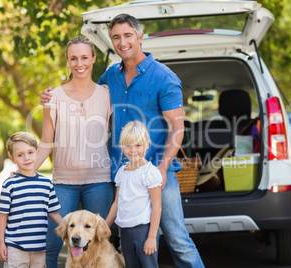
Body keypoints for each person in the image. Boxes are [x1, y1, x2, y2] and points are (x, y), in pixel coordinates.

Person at [41, 14, 204, 267]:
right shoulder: (110, 77)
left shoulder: (164, 77)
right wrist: (53, 94)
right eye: (116, 37)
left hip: (157, 174)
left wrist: (162, 167)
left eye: (128, 35)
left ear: (140, 37)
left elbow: (177, 128)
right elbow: (85, 89)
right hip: (122, 175)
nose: (122, 42)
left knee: (177, 239)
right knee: (127, 241)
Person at [38, 36, 114, 267]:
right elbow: (45, 142)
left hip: (99, 181)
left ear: (93, 59)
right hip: (63, 182)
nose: (79, 63)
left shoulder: (106, 95)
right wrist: (26, 169)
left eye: (84, 57)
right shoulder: (53, 98)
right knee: (51, 246)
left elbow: (118, 138)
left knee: (100, 244)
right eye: (73, 58)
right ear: (68, 61)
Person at [0, 132, 63, 267]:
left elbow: (53, 213)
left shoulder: (46, 184)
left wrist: (69, 228)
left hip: (39, 248)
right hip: (15, 248)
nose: (26, 158)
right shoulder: (9, 184)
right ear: (12, 159)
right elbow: (3, 216)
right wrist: (1, 243)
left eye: (30, 152)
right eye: (20, 155)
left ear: (37, 152)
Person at [106, 121, 162, 268]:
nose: (133, 150)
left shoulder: (150, 172)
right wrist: (104, 228)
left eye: (138, 145)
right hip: (124, 231)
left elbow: (157, 206)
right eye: (128, 145)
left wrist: (151, 237)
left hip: (144, 231)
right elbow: (116, 204)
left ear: (147, 144)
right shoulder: (121, 172)